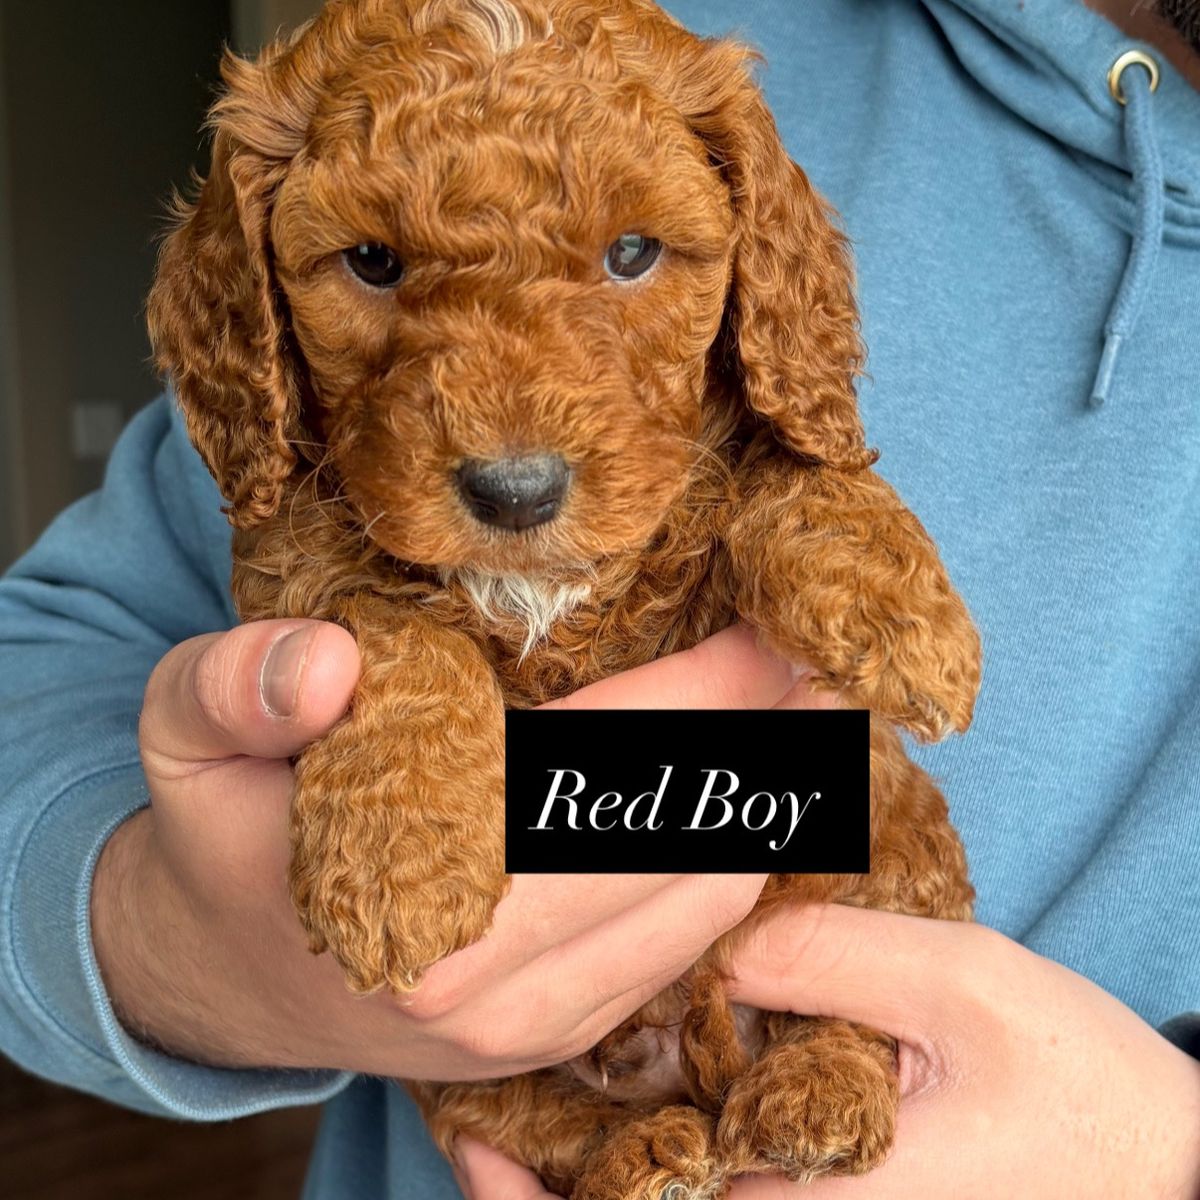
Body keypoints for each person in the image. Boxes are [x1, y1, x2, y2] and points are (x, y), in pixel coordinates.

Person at [1, 0, 1198, 1196]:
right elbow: (51, 657)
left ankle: (818, 1061)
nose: (514, 454)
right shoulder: (643, 28)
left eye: (631, 257)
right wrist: (174, 938)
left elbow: (793, 455)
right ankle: (597, 1146)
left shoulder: (708, 133)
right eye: (375, 265)